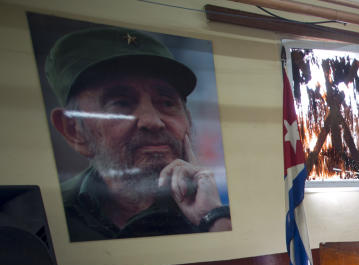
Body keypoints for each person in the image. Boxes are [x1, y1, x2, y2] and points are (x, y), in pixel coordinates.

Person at [45, 27, 230, 241]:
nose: (153, 121)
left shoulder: (214, 210)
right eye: (121, 103)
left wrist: (213, 217)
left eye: (167, 103)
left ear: (188, 120)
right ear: (73, 129)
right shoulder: (45, 216)